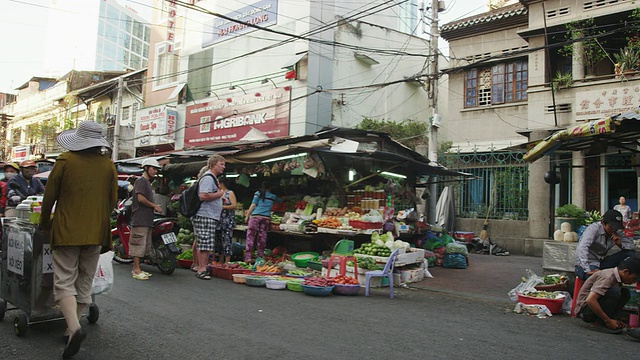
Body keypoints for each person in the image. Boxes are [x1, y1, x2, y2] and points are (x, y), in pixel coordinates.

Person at [39, 120, 117, 358]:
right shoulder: (107, 166)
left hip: (66, 230)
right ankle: (69, 328)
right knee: (84, 279)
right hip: (96, 231)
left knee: (64, 280)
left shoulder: (65, 161)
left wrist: (44, 224)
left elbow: (49, 197)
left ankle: (74, 328)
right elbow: (112, 202)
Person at [574, 256, 640, 333]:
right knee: (614, 291)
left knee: (625, 293)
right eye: (634, 278)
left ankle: (612, 320)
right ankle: (600, 323)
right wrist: (607, 320)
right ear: (625, 271)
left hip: (594, 308)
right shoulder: (608, 277)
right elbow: (590, 300)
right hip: (585, 311)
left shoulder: (617, 277)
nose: (634, 282)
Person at [575, 209, 637, 281]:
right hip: (586, 265)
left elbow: (632, 247)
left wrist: (621, 244)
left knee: (630, 254)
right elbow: (582, 247)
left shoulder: (617, 232)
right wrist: (587, 269)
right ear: (603, 223)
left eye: (616, 227)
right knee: (600, 281)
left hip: (601, 263)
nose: (613, 230)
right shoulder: (593, 229)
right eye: (611, 227)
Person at [190, 154, 225, 280]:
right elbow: (203, 196)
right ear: (213, 164)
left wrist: (219, 198)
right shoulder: (208, 178)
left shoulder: (212, 178)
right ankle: (202, 269)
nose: (223, 167)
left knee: (204, 242)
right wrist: (220, 194)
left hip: (209, 215)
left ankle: (201, 266)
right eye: (221, 164)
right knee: (204, 243)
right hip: (205, 215)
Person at [130, 158, 163, 280]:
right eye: (153, 168)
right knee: (138, 243)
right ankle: (136, 269)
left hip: (147, 219)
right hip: (140, 218)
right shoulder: (141, 181)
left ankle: (138, 268)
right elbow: (140, 198)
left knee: (144, 245)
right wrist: (154, 206)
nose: (155, 171)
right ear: (146, 168)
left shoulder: (148, 183)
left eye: (155, 169)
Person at [244, 183, 281, 263]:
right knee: (262, 238)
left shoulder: (258, 194)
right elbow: (280, 201)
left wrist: (247, 216)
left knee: (250, 237)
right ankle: (259, 258)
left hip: (255, 217)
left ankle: (248, 258)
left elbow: (253, 205)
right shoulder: (272, 196)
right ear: (270, 188)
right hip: (266, 218)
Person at [216, 177, 236, 264]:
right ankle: (220, 261)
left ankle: (227, 262)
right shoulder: (217, 193)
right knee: (219, 241)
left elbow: (234, 205)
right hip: (218, 220)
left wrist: (222, 207)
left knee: (227, 240)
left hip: (227, 221)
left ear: (221, 183)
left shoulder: (229, 193)